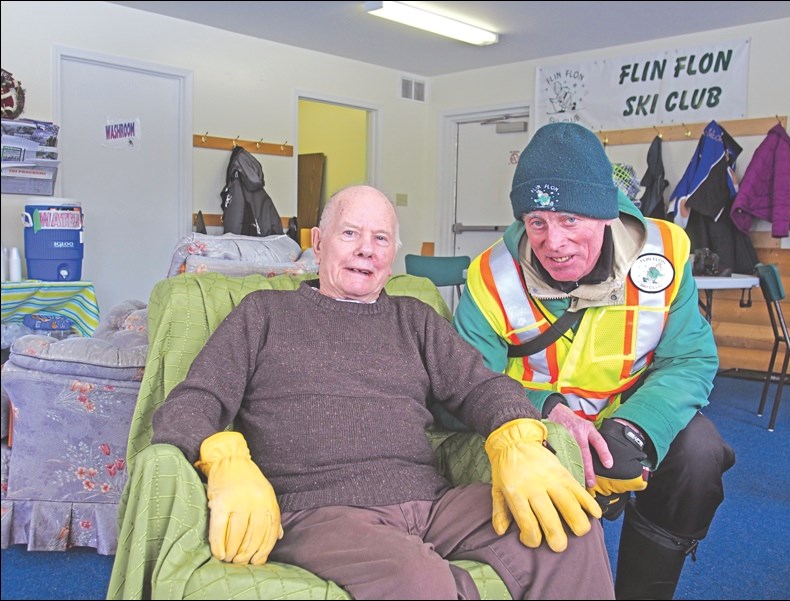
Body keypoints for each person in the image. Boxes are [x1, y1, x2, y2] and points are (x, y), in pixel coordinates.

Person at [151, 184, 615, 600]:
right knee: (420, 580)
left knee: (571, 526)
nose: (366, 251)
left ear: (393, 252)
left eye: (381, 239)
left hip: (431, 503)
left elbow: (480, 385)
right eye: (350, 234)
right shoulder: (263, 314)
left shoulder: (414, 319)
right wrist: (224, 456)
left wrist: (516, 432)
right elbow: (191, 403)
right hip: (319, 510)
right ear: (319, 242)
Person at [453, 123, 736, 600]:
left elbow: (689, 359)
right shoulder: (489, 276)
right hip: (537, 423)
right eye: (536, 221)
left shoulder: (663, 255)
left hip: (628, 414)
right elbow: (462, 383)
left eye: (570, 220)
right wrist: (546, 411)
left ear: (606, 215)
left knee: (701, 455)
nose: (553, 242)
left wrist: (637, 427)